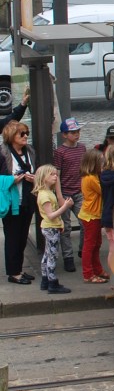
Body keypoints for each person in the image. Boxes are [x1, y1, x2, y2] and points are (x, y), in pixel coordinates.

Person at [1, 119, 38, 285]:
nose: (25, 136)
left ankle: (19, 269)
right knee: (13, 238)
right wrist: (12, 180)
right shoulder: (2, 153)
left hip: (27, 200)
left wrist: (33, 178)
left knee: (23, 237)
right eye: (21, 133)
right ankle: (13, 273)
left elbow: (37, 172)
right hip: (11, 202)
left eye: (26, 133)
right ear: (11, 136)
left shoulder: (30, 151)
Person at [52, 117, 86, 272]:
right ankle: (68, 257)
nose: (76, 134)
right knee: (65, 228)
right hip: (65, 192)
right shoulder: (60, 152)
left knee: (85, 222)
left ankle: (82, 249)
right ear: (64, 134)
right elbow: (56, 175)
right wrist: (59, 196)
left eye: (77, 131)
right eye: (72, 132)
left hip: (79, 192)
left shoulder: (82, 148)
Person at [33, 165, 73, 294]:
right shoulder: (44, 195)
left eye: (56, 174)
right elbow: (51, 215)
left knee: (47, 255)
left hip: (51, 228)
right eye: (52, 174)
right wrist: (66, 206)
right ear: (43, 177)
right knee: (52, 256)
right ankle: (52, 282)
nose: (55, 176)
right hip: (51, 228)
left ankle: (46, 280)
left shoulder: (48, 192)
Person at [77, 149, 107, 283]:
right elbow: (103, 190)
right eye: (101, 162)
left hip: (93, 214)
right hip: (91, 215)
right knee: (90, 245)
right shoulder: (91, 179)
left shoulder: (89, 177)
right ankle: (88, 273)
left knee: (96, 243)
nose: (103, 164)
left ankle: (97, 269)